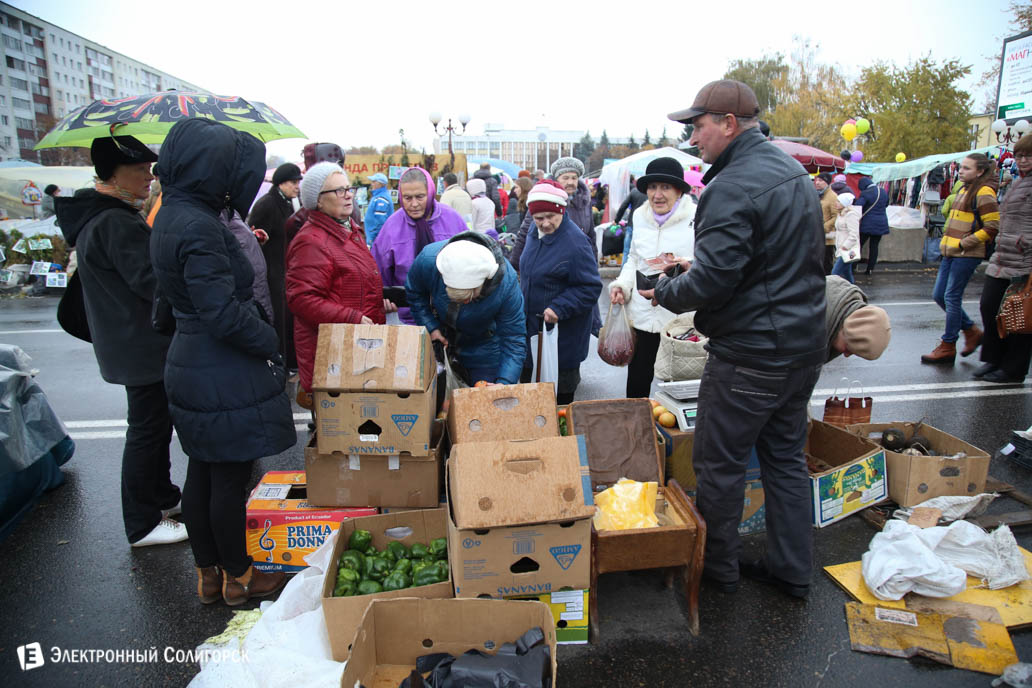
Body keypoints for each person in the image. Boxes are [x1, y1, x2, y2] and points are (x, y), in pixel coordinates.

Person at [653, 80, 826, 598]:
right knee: (785, 461)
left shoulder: (730, 185)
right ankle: (792, 570)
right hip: (801, 346)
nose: (693, 138)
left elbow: (714, 281)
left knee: (720, 465)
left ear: (728, 124)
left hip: (752, 352)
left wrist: (667, 290)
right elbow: (779, 261)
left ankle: (717, 571)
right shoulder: (791, 171)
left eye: (698, 126)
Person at [150, 118, 296, 605]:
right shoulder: (199, 225)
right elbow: (222, 314)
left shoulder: (171, 212)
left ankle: (209, 575)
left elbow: (171, 301)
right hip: (221, 367)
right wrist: (269, 341)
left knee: (203, 472)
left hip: (192, 360)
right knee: (229, 479)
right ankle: (241, 576)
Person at [55, 134, 185, 548]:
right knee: (147, 431)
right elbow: (151, 284)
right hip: (140, 346)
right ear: (112, 174)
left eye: (150, 169)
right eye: (140, 170)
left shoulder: (102, 214)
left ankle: (162, 497)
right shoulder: (114, 221)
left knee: (155, 427)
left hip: (129, 344)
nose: (149, 177)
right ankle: (142, 523)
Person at [287, 162, 391, 402]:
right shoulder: (311, 241)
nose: (348, 195)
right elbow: (301, 299)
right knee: (343, 421)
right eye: (338, 190)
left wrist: (380, 302)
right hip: (333, 355)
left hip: (357, 348)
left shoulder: (348, 231)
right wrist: (352, 317)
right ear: (318, 201)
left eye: (349, 188)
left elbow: (352, 284)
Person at [608, 157, 697, 398]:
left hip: (678, 317)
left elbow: (707, 265)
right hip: (643, 314)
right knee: (637, 384)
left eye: (665, 187)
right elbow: (634, 258)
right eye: (652, 187)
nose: (657, 195)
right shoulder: (639, 215)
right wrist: (622, 286)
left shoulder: (696, 217)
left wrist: (686, 266)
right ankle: (636, 423)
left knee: (679, 387)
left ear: (679, 191)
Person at [517, 181, 602, 404]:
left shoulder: (576, 243)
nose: (545, 223)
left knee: (559, 403)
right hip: (532, 333)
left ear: (561, 211)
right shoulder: (534, 233)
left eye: (550, 216)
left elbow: (590, 287)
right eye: (539, 218)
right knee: (530, 400)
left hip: (562, 338)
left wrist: (559, 307)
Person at [406, 232, 526, 385]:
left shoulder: (506, 284)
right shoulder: (428, 260)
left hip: (485, 349)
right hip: (442, 342)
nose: (464, 303)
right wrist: (431, 327)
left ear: (484, 283)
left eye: (470, 298)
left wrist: (504, 383)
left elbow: (514, 337)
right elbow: (415, 293)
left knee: (483, 398)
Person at [921, 153, 999, 365]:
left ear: (980, 172)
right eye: (961, 167)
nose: (961, 171)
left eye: (967, 168)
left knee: (951, 297)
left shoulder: (984, 192)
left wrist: (965, 243)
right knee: (939, 295)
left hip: (966, 254)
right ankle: (971, 331)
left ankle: (948, 345)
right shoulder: (964, 189)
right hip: (951, 252)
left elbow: (992, 226)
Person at [371, 167, 466, 324]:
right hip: (408, 319)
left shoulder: (453, 219)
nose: (414, 204)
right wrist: (384, 299)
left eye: (420, 197)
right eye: (407, 198)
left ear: (430, 193)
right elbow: (378, 272)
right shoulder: (391, 228)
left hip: (452, 317)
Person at [975, 139, 1032, 383]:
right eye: (1019, 155)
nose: (1023, 160)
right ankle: (994, 359)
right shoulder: (1018, 182)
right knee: (990, 306)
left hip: (1024, 260)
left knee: (1019, 315)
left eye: (1028, 156)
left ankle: (1014, 369)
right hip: (1002, 257)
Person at [247, 162, 302, 369]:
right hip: (271, 272)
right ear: (281, 183)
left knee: (288, 318)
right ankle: (279, 364)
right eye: (293, 182)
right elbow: (255, 241)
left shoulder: (289, 203)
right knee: (278, 318)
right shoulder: (267, 205)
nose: (297, 186)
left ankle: (289, 363)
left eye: (298, 182)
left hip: (286, 271)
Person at [509, 157, 598, 268]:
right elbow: (525, 232)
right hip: (551, 264)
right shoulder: (543, 198)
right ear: (557, 179)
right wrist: (515, 264)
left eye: (574, 178)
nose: (570, 182)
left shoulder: (585, 201)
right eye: (565, 178)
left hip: (579, 263)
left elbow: (591, 235)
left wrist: (594, 263)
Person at [824, 275, 891, 362]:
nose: (846, 355)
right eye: (848, 349)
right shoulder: (810, 325)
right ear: (846, 332)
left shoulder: (843, 304)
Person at [223, 210, 273, 321]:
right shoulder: (215, 215)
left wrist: (252, 238)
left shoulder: (230, 212)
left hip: (257, 298)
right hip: (245, 306)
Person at [855, 176, 889, 276]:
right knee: (874, 246)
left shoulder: (866, 193)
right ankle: (870, 269)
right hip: (881, 223)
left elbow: (858, 206)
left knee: (859, 245)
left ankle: (853, 266)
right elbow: (886, 204)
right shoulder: (883, 191)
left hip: (867, 223)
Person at [830, 191, 861, 284]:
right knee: (847, 273)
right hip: (841, 248)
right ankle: (853, 289)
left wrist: (845, 246)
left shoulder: (851, 215)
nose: (836, 203)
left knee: (834, 273)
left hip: (848, 249)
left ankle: (831, 290)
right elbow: (840, 231)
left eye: (839, 201)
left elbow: (854, 234)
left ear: (844, 203)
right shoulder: (841, 214)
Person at [363, 172, 394, 247]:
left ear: (380, 184)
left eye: (374, 182)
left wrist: (372, 238)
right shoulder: (379, 196)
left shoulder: (381, 198)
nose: (371, 184)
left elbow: (380, 222)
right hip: (375, 239)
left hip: (376, 240)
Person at [815, 172, 837, 274]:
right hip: (817, 235)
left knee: (826, 263)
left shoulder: (832, 196)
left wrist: (824, 227)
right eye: (817, 180)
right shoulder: (818, 194)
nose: (817, 182)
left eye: (820, 180)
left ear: (827, 182)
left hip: (827, 237)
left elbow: (836, 216)